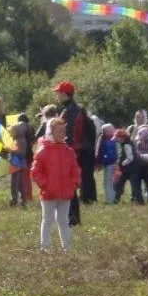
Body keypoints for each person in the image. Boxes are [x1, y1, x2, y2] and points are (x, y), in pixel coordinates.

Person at [31, 118, 79, 251]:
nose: (62, 134)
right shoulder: (43, 151)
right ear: (50, 132)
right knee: (47, 221)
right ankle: (45, 248)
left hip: (65, 193)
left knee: (64, 221)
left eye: (64, 130)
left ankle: (67, 249)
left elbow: (75, 169)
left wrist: (74, 184)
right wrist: (46, 185)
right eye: (59, 131)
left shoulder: (68, 151)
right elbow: (35, 172)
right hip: (49, 194)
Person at [53, 81, 96, 225]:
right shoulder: (76, 108)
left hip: (74, 151)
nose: (56, 95)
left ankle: (72, 218)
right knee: (72, 185)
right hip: (81, 151)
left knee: (69, 184)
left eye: (58, 93)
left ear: (65, 94)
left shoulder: (70, 110)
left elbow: (69, 133)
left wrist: (64, 150)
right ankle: (72, 217)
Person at [129, 111, 148, 204]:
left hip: (145, 161)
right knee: (135, 180)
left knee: (147, 181)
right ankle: (136, 197)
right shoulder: (131, 128)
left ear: (144, 118)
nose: (138, 119)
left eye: (140, 117)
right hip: (134, 159)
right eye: (137, 117)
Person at [114, 129, 142, 204]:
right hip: (132, 168)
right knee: (135, 185)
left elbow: (130, 158)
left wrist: (122, 164)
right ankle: (139, 201)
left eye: (118, 138)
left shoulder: (126, 145)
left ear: (122, 137)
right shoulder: (128, 143)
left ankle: (116, 200)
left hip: (130, 168)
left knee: (122, 184)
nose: (117, 140)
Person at [96, 124, 118, 204]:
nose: (114, 131)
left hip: (109, 164)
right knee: (110, 183)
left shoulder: (106, 142)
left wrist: (100, 163)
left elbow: (104, 154)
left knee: (107, 183)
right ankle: (112, 199)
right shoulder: (112, 141)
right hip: (113, 164)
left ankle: (110, 201)